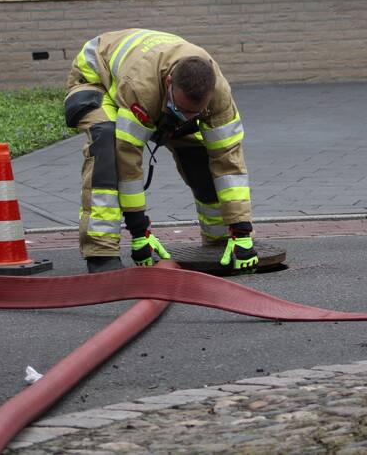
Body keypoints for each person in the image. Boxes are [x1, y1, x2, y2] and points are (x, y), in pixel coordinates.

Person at [63, 29, 257, 274]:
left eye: (196, 113)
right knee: (107, 146)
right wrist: (139, 231)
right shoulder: (141, 88)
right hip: (96, 78)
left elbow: (229, 161)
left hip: (153, 86)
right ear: (169, 83)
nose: (188, 118)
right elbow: (128, 158)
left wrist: (241, 232)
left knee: (200, 154)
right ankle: (101, 253)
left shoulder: (219, 94)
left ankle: (218, 242)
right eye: (183, 109)